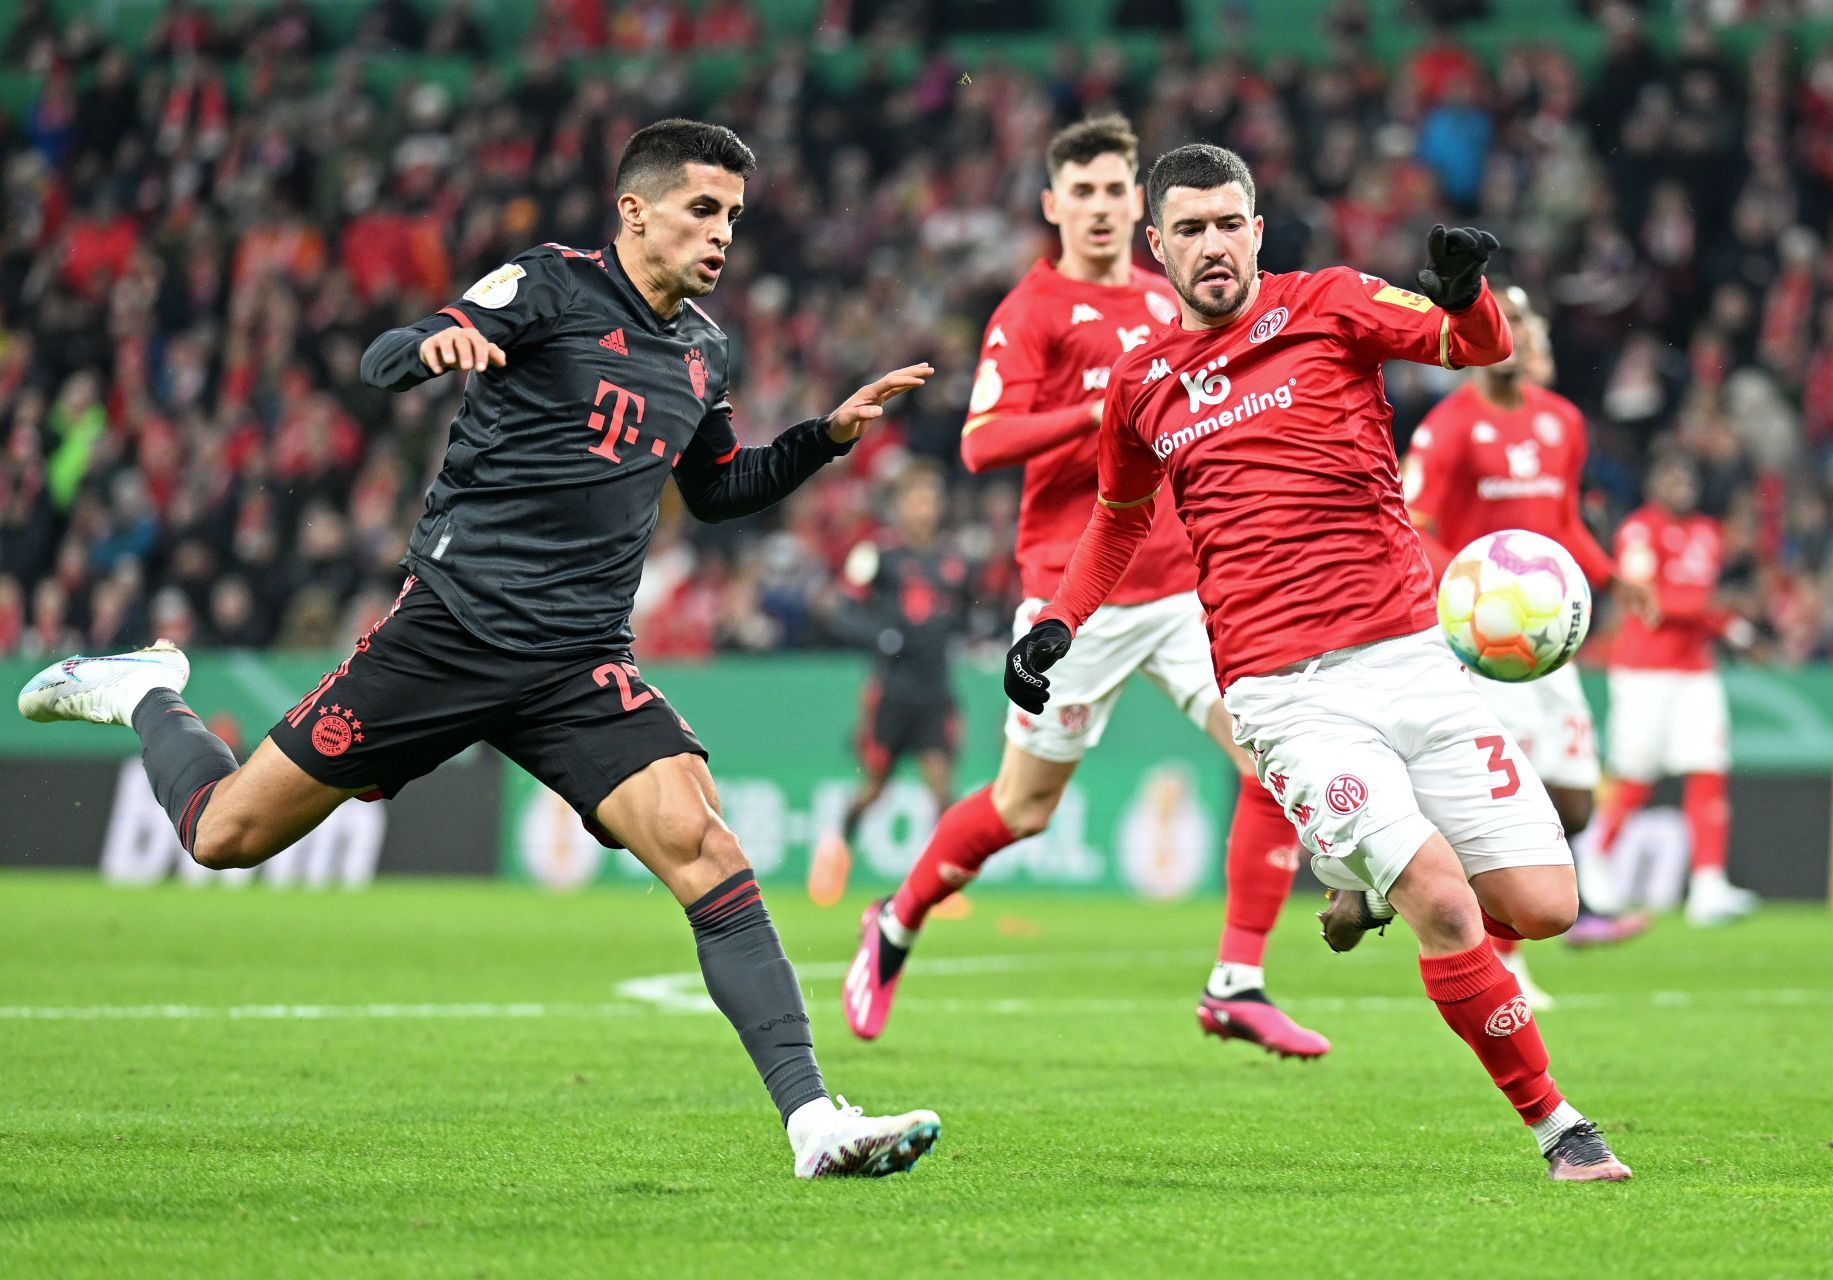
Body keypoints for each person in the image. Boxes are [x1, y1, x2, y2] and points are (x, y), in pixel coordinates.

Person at [19, 119, 942, 1181]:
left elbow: (719, 487)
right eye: (702, 208)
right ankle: (146, 692)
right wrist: (435, 346)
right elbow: (383, 355)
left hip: (576, 659)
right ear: (634, 209)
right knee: (223, 835)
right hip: (451, 629)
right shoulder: (551, 283)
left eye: (734, 214)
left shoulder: (703, 349)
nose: (723, 232)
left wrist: (822, 439)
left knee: (707, 847)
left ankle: (813, 1119)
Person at [1004, 142, 1631, 1181]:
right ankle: (1560, 1126)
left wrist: (1468, 291)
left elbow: (1468, 346)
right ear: (1157, 248)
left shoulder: (1332, 303)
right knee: (1444, 893)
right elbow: (1116, 520)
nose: (1212, 244)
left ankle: (1359, 875)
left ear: (1256, 229)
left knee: (1545, 906)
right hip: (1284, 691)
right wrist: (1060, 620)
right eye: (1189, 229)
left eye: (1228, 223)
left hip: (1414, 656)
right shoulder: (1143, 385)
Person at [842, 117, 1323, 1061]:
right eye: (1086, 192)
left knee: (1276, 757)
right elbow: (982, 442)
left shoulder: (1168, 297)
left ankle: (1237, 981)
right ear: (1053, 204)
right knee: (1023, 809)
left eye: (1117, 192)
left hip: (1190, 586)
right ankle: (895, 920)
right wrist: (1099, 406)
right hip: (1079, 595)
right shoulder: (1032, 311)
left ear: (1140, 210)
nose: (1102, 208)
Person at [1401, 285, 1652, 1008]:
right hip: (1479, 642)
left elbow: (1565, 521)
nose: (1513, 337)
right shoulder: (1448, 428)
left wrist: (1612, 578)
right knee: (1503, 800)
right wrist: (1478, 584)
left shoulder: (1562, 422)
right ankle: (1499, 956)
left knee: (1572, 803)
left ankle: (1500, 916)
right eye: (1499, 325)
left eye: (1523, 325)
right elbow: (1414, 526)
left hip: (1546, 642)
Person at [1587, 451, 1758, 926]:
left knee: (1708, 769)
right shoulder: (1640, 530)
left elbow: (1700, 603)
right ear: (1654, 485)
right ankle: (1595, 861)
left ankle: (1708, 886)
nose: (1683, 484)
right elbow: (1648, 600)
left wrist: (1728, 626)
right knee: (1634, 775)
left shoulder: (1707, 532)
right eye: (1672, 475)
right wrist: (1717, 610)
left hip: (1695, 670)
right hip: (1645, 671)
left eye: (1688, 476)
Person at [810, 461, 971, 899]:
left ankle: (940, 886)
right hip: (893, 691)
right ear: (901, 506)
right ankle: (835, 850)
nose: (926, 508)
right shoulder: (878, 555)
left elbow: (964, 618)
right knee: (875, 787)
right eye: (917, 499)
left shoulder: (952, 563)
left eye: (932, 500)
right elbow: (837, 609)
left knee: (942, 789)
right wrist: (877, 636)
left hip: (936, 690)